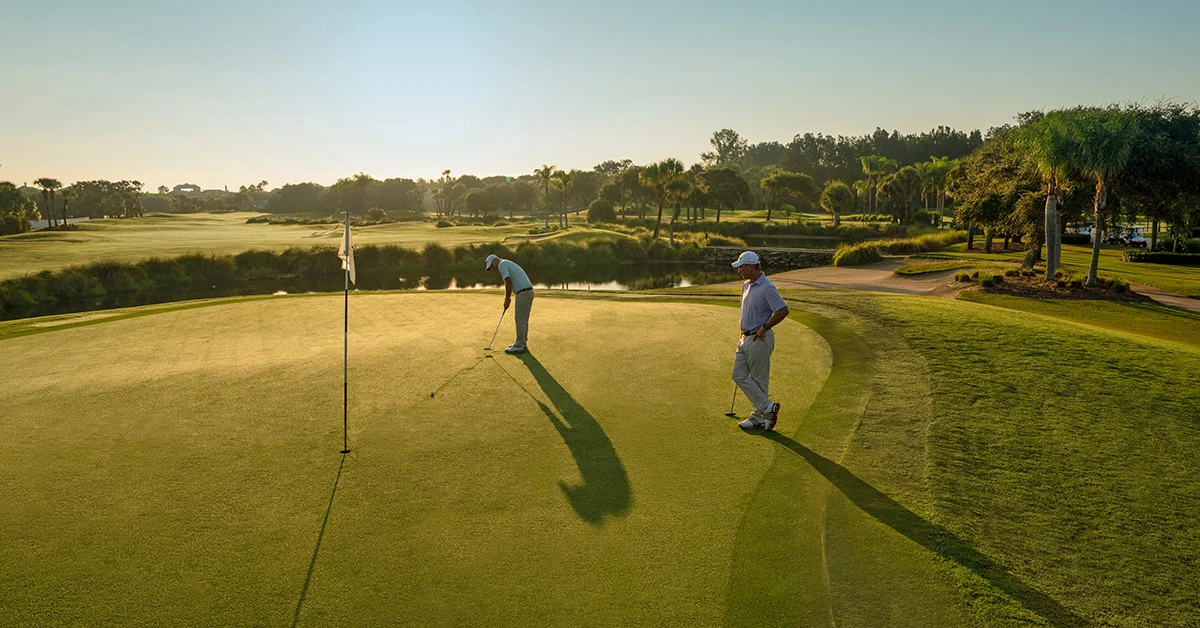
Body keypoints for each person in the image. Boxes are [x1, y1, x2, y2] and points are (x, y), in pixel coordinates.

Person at [730, 251, 789, 431]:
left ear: (750, 266)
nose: (739, 270)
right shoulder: (746, 285)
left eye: (741, 267)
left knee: (759, 380)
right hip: (745, 338)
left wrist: (765, 326)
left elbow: (782, 310)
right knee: (738, 375)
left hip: (759, 338)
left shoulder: (767, 287)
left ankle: (758, 416)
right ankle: (767, 408)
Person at [486, 254, 534, 354]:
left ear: (495, 260)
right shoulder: (506, 263)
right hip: (528, 292)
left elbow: (508, 282)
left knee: (519, 319)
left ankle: (519, 344)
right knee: (523, 319)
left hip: (523, 293)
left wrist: (507, 298)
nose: (493, 268)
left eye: (492, 265)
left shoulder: (502, 265)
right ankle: (522, 343)